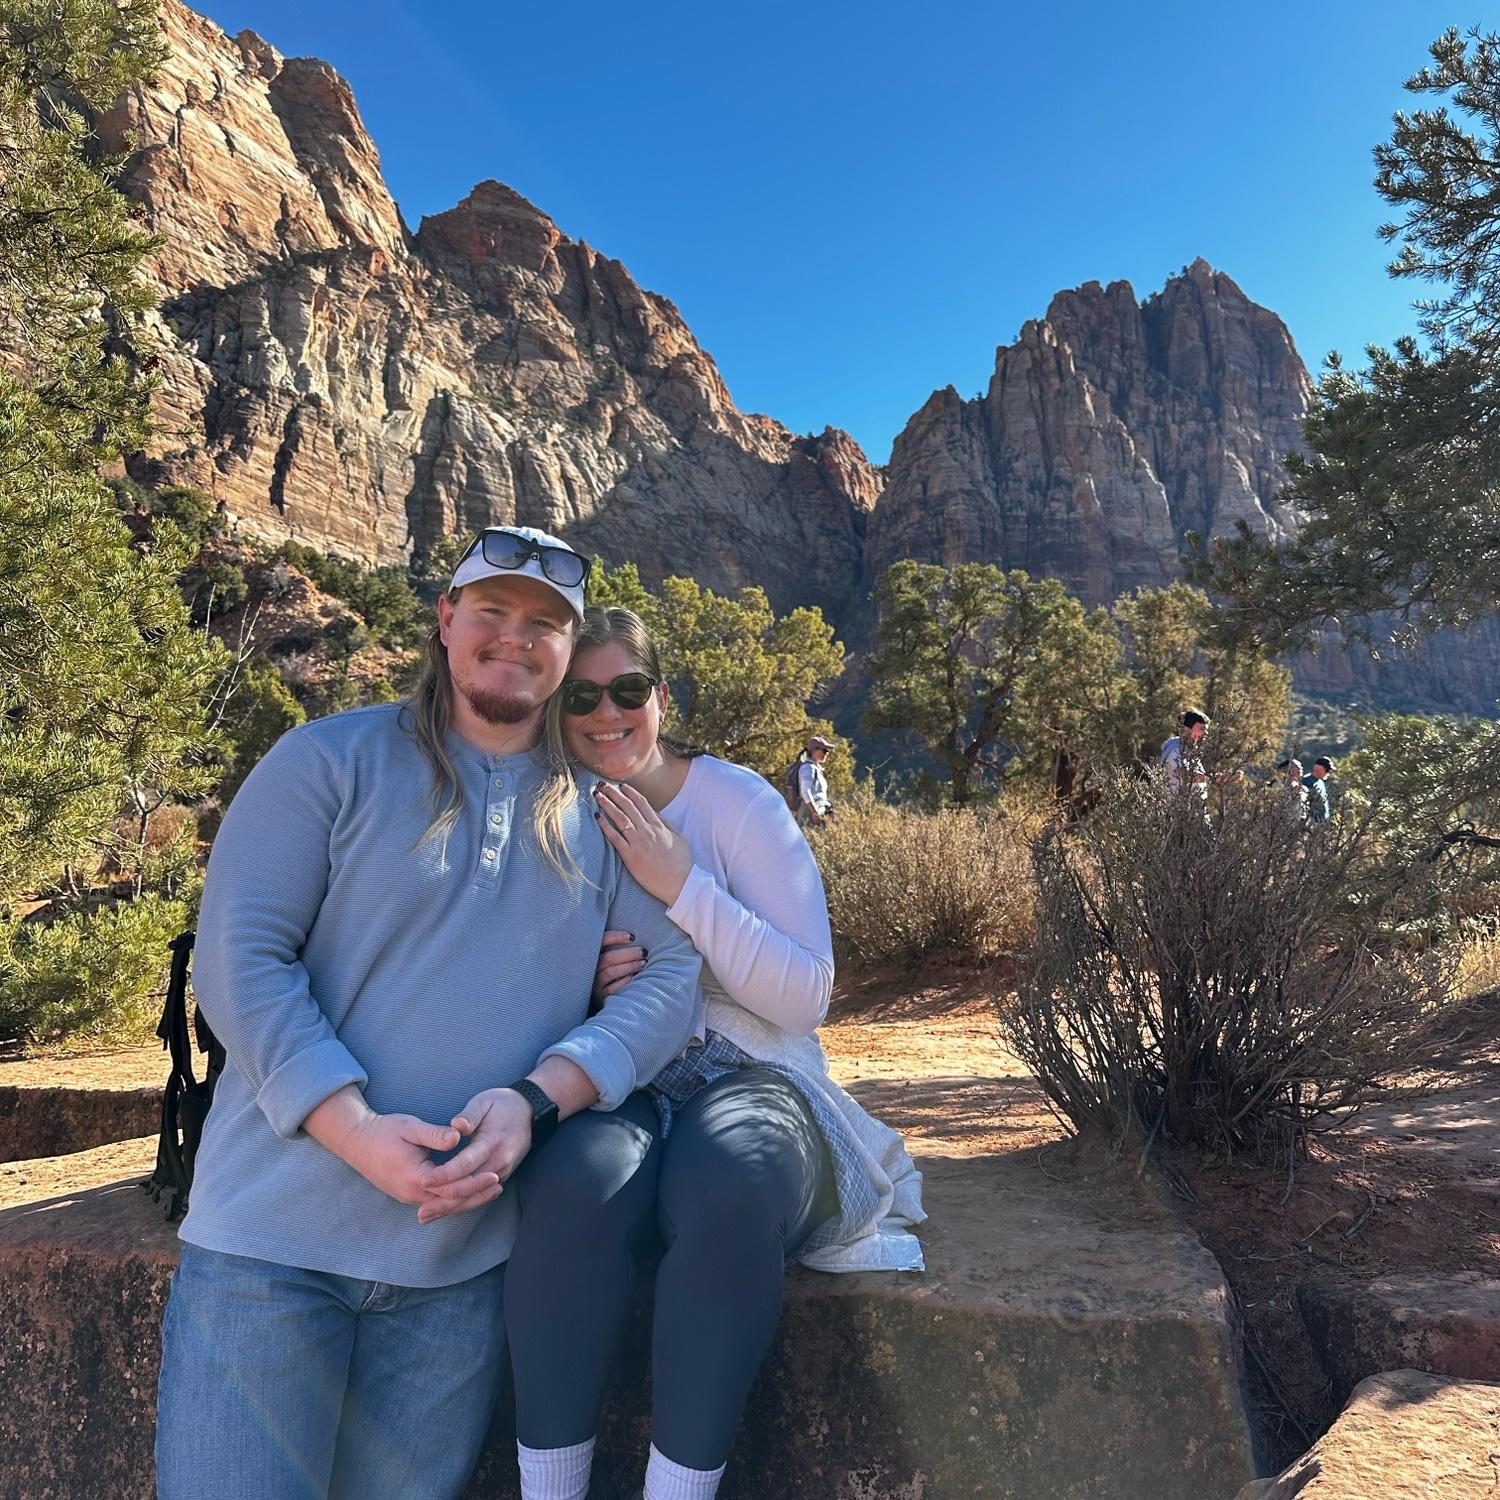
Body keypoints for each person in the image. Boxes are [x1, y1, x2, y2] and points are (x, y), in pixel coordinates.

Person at [155, 528, 702, 1500]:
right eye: (490, 610)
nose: (514, 637)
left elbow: (668, 979)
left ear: (570, 652)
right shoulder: (326, 761)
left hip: (457, 1282)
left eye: (545, 623)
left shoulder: (604, 812)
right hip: (268, 1256)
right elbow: (243, 959)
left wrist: (541, 1100)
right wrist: (354, 1128)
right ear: (446, 620)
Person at [543, 605, 925, 1500]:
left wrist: (682, 885)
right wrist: (585, 980)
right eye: (583, 696)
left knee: (731, 1184)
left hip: (752, 1069)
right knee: (571, 1189)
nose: (607, 714)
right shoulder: (551, 812)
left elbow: (805, 994)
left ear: (661, 697)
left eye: (627, 690)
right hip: (621, 1065)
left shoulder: (738, 802)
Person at [793, 734, 834, 828]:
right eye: (824, 750)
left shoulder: (816, 768)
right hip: (809, 813)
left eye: (827, 751)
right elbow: (805, 791)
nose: (826, 753)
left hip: (817, 811)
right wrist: (814, 813)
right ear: (814, 750)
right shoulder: (808, 768)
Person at [1303, 756, 1334, 824]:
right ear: (1319, 768)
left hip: (1322, 822)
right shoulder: (1305, 781)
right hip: (1310, 822)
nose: (1327, 773)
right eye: (1327, 770)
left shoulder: (1321, 782)